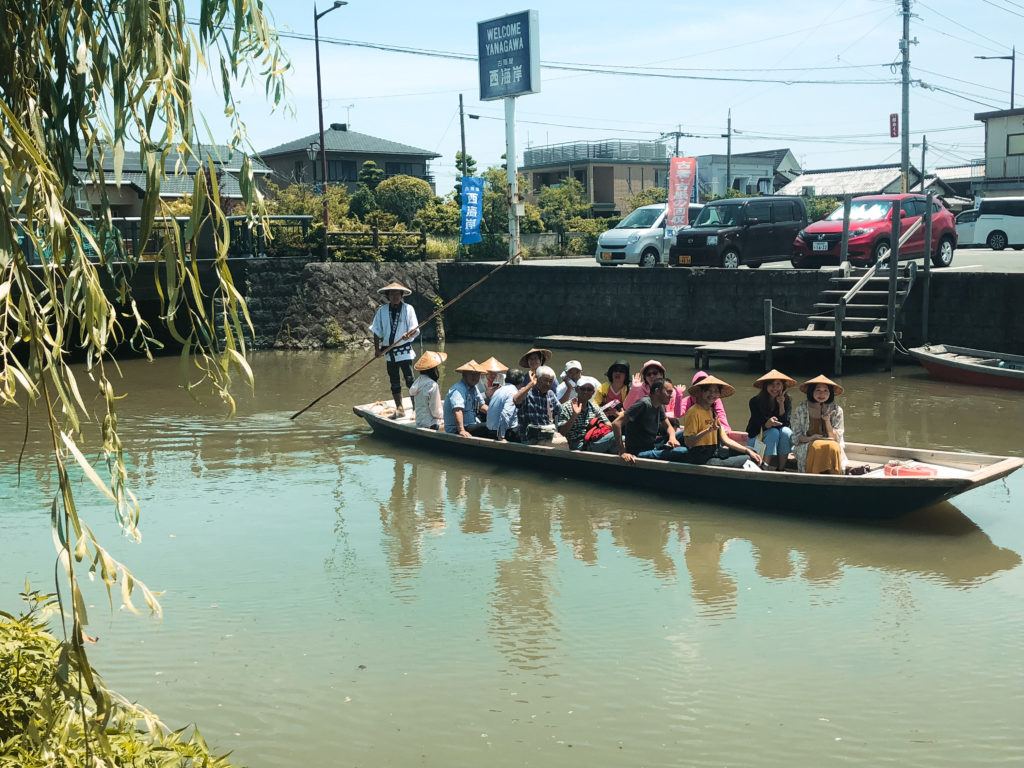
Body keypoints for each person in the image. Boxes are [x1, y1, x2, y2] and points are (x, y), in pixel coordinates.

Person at [682, 375, 763, 468]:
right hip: (702, 458)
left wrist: (747, 450)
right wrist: (707, 431)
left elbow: (725, 440)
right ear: (701, 392)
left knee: (752, 451)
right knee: (747, 459)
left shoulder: (712, 412)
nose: (712, 394)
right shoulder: (693, 412)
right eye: (709, 390)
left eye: (716, 391)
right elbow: (688, 442)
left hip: (714, 451)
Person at [369, 281, 419, 418]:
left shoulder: (408, 309)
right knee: (394, 381)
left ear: (402, 295)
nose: (395, 296)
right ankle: (400, 409)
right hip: (388, 352)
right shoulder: (382, 310)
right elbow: (376, 330)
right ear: (388, 295)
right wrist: (377, 350)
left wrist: (409, 333)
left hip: (404, 352)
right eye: (392, 294)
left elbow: (415, 328)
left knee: (410, 380)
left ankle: (416, 409)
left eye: (398, 293)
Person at [613, 377, 689, 463]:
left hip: (652, 444)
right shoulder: (644, 404)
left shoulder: (658, 405)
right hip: (640, 452)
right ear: (657, 391)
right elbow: (616, 423)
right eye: (668, 392)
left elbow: (669, 427)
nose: (671, 396)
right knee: (682, 451)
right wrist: (622, 452)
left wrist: (672, 438)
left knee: (685, 433)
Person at [791, 375, 847, 474]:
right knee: (816, 446)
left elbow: (836, 438)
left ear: (830, 393)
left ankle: (835, 478)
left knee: (833, 447)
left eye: (826, 390)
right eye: (818, 390)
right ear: (812, 391)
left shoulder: (837, 410)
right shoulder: (802, 409)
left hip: (832, 443)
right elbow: (797, 437)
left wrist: (826, 420)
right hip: (807, 444)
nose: (822, 394)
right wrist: (811, 438)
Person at [746, 369, 796, 471]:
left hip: (778, 439)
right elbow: (757, 423)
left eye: (778, 384)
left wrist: (781, 404)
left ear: (783, 386)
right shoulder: (755, 401)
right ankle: (764, 467)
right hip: (757, 437)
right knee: (773, 432)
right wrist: (767, 424)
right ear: (765, 386)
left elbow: (785, 423)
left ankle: (781, 469)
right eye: (771, 384)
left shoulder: (787, 400)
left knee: (786, 432)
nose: (775, 388)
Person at [557, 376, 616, 453]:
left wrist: (618, 415)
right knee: (616, 436)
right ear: (577, 389)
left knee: (622, 438)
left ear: (593, 392)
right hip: (577, 445)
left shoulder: (594, 406)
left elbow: (609, 425)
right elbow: (562, 432)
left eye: (589, 389)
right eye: (583, 389)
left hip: (592, 439)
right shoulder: (566, 407)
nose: (586, 392)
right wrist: (574, 415)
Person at [514, 365, 565, 445]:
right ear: (537, 379)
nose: (548, 384)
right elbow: (516, 400)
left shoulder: (550, 394)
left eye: (550, 381)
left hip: (547, 434)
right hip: (529, 438)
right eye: (545, 380)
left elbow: (560, 411)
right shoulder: (527, 392)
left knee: (564, 440)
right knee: (563, 444)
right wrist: (531, 384)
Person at [443, 360, 490, 438]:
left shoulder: (474, 388)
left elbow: (482, 406)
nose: (475, 377)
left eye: (477, 375)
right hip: (457, 429)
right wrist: (461, 430)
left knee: (493, 418)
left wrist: (496, 415)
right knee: (489, 427)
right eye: (472, 374)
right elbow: (458, 411)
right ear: (464, 375)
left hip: (471, 423)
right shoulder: (458, 389)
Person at [409, 350, 446, 429]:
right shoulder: (432, 385)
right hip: (431, 424)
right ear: (433, 369)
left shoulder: (418, 381)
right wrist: (444, 416)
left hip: (419, 421)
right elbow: (435, 411)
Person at [486, 368, 526, 442]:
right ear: (521, 382)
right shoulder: (513, 393)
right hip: (501, 432)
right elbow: (506, 414)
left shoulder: (499, 390)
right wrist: (501, 436)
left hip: (490, 429)